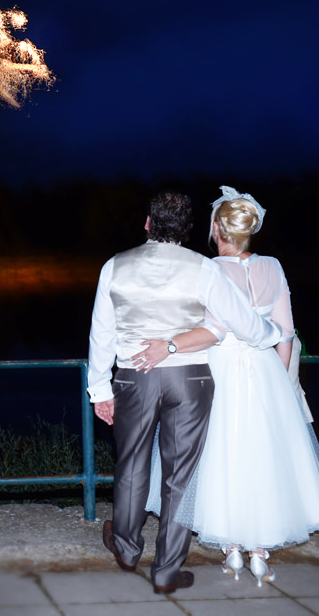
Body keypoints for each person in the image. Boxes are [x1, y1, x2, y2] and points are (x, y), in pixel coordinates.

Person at [87, 191, 282, 595]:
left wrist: (100, 389)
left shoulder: (114, 266)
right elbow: (241, 321)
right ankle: (166, 570)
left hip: (134, 378)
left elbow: (101, 333)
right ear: (188, 231)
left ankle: (126, 548)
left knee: (131, 465)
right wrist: (273, 333)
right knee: (180, 476)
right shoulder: (202, 268)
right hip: (189, 380)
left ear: (147, 224)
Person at [140, 187, 319, 586]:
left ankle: (231, 550)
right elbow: (286, 334)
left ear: (217, 229)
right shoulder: (274, 267)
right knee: (262, 456)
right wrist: (279, 382)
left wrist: (170, 344)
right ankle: (260, 553)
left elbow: (212, 331)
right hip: (265, 370)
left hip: (221, 369)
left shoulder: (210, 269)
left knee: (222, 454)